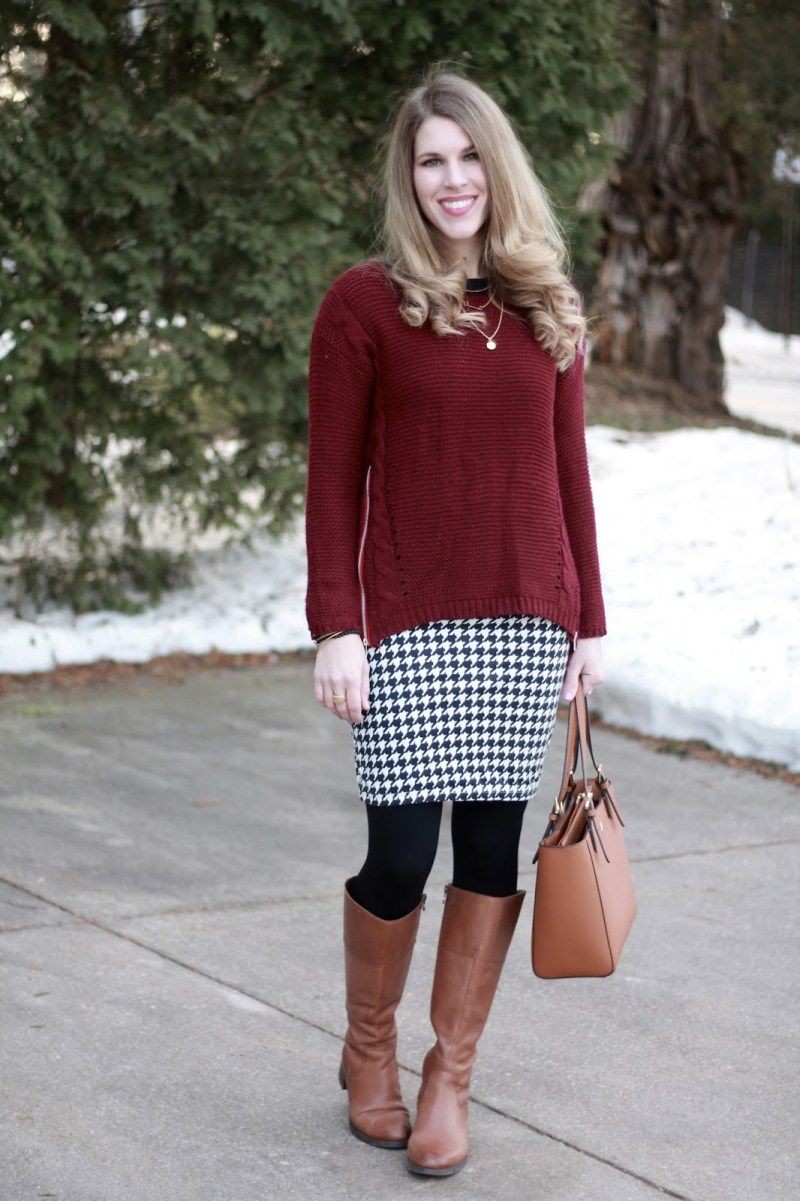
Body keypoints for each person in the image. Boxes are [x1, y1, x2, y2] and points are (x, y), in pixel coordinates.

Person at [304, 66, 606, 1178]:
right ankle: (366, 1050)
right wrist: (337, 624)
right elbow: (329, 482)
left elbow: (567, 472)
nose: (451, 178)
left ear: (497, 167)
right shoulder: (361, 304)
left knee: (487, 850)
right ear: (408, 175)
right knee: (398, 855)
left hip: (527, 615)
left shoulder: (542, 300)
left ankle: (447, 1076)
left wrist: (588, 625)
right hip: (407, 620)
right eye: (430, 159)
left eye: (468, 156)